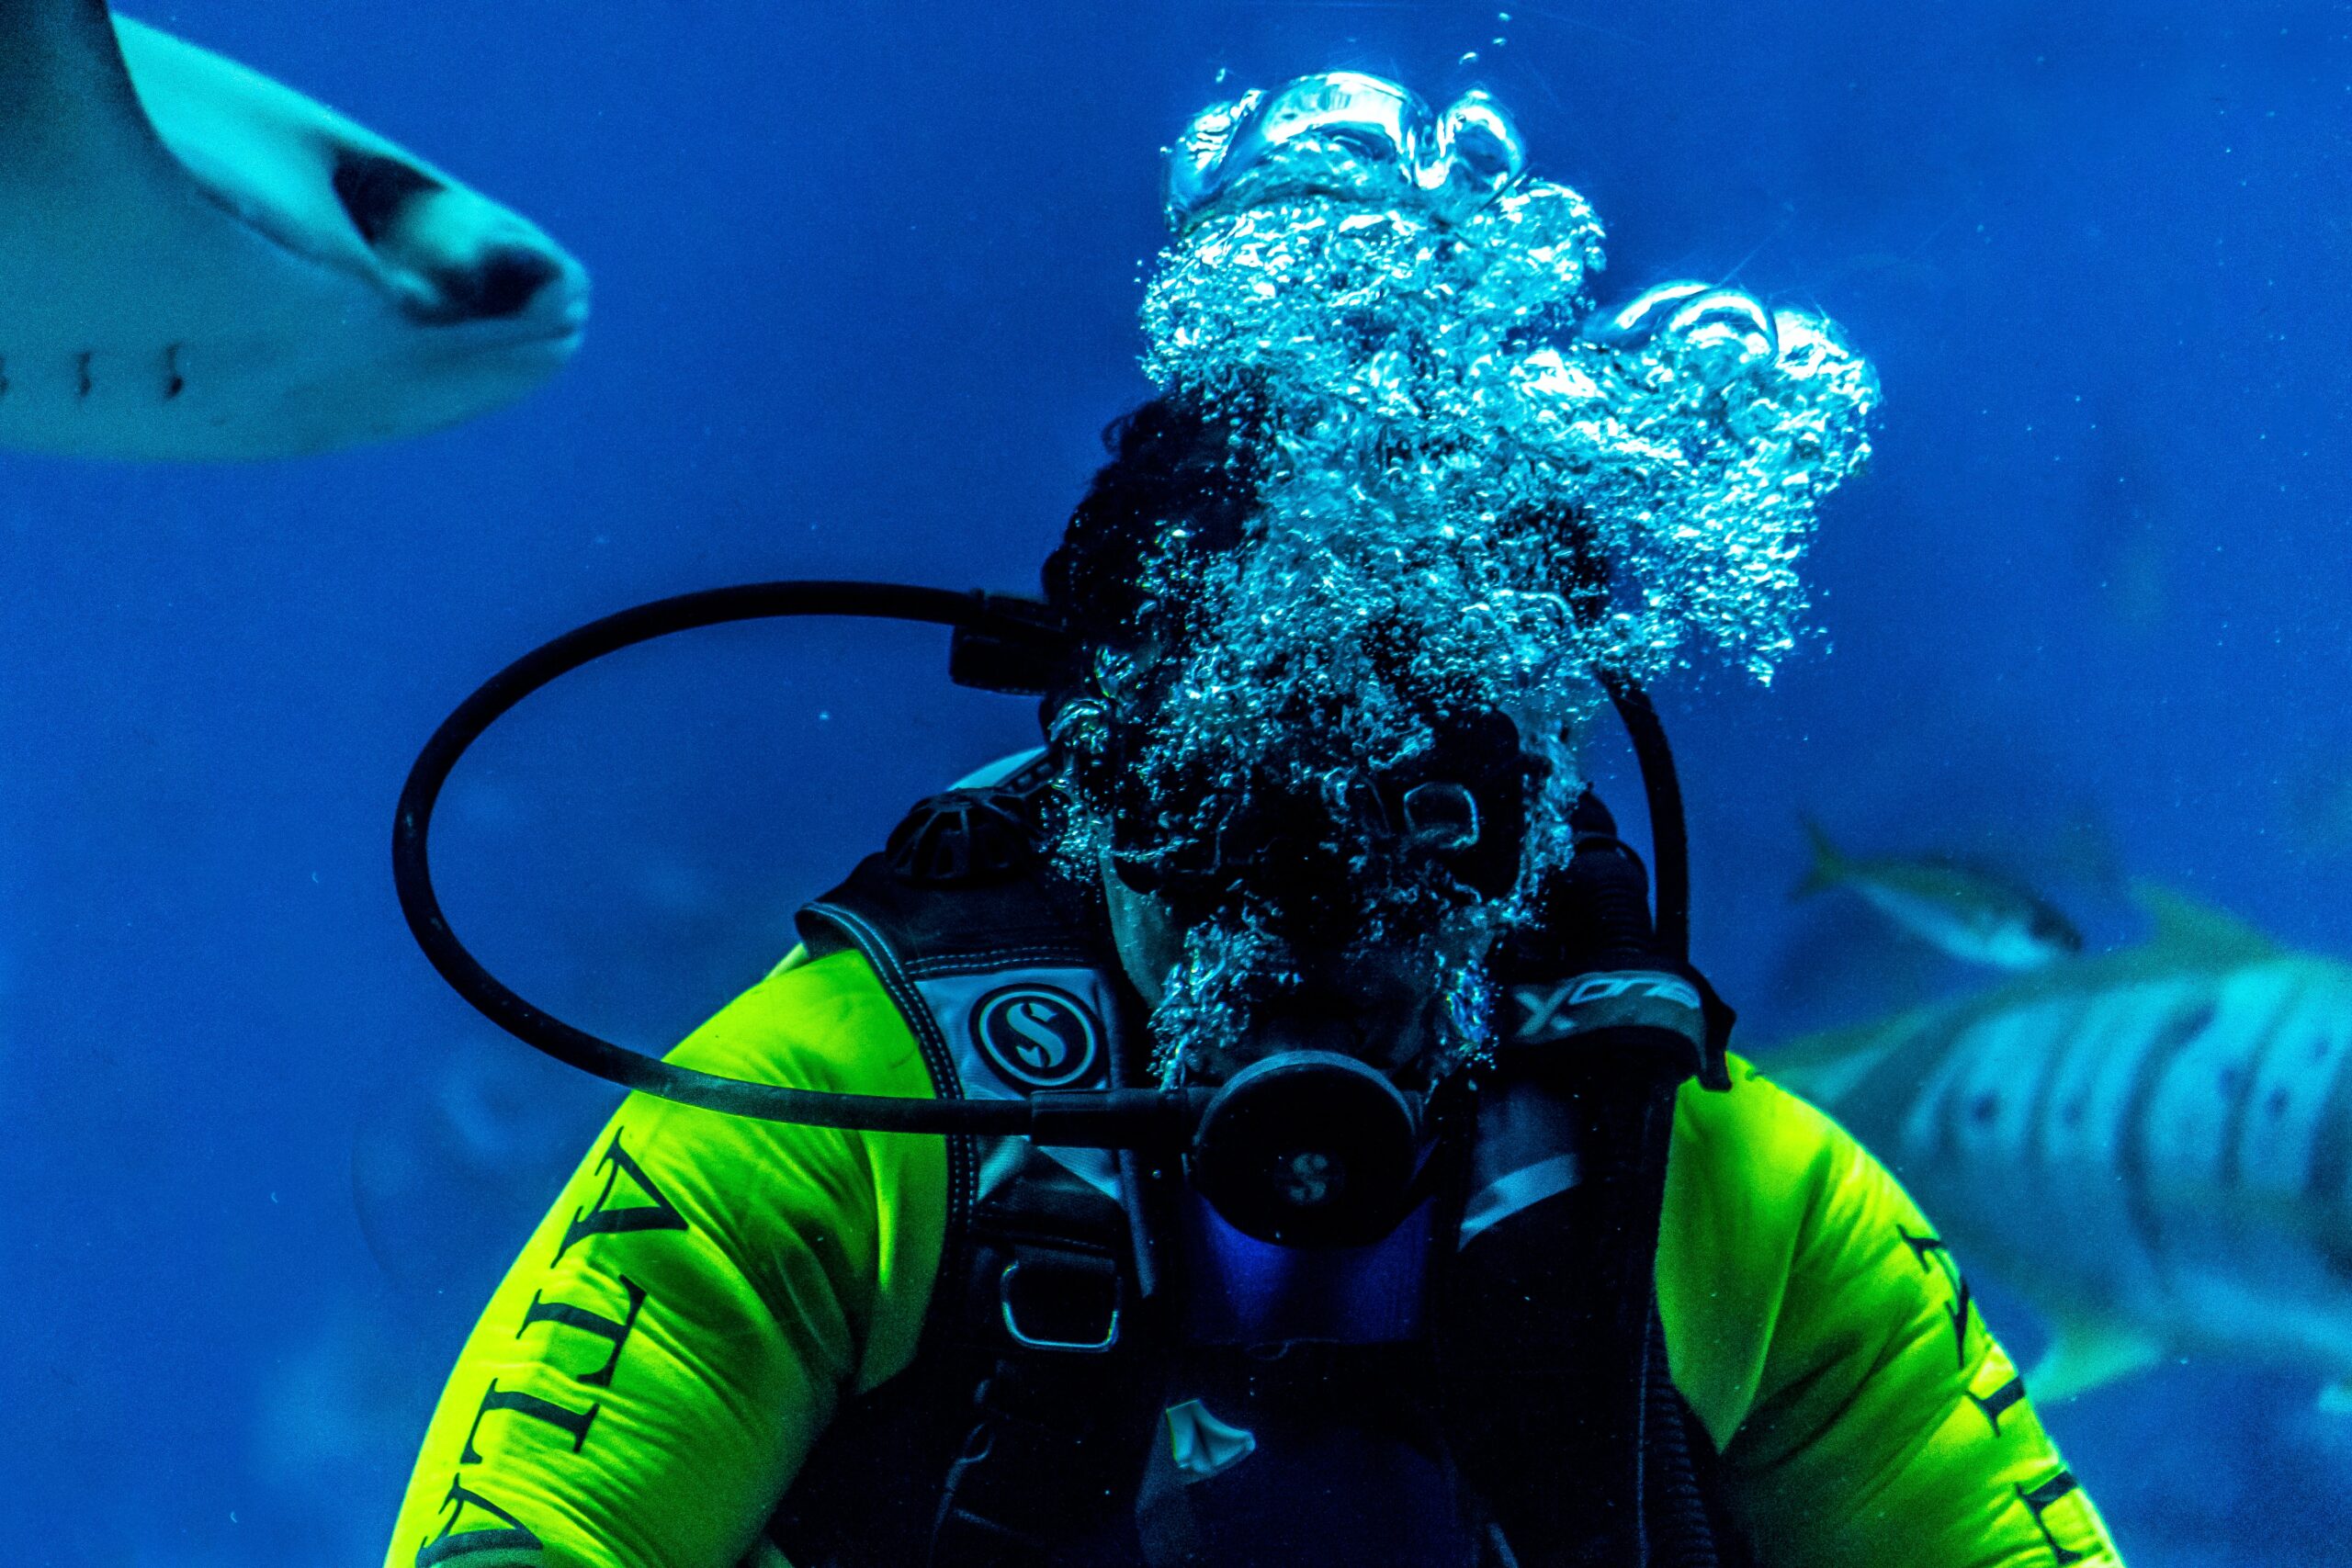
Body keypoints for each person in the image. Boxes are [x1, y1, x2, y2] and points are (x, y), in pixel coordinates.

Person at [383, 75, 2123, 1568]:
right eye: (1222, 805)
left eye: (1419, 824)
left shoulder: (1720, 1199)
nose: (1316, 916)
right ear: (1096, 788)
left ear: (1525, 836)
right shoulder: (853, 1124)